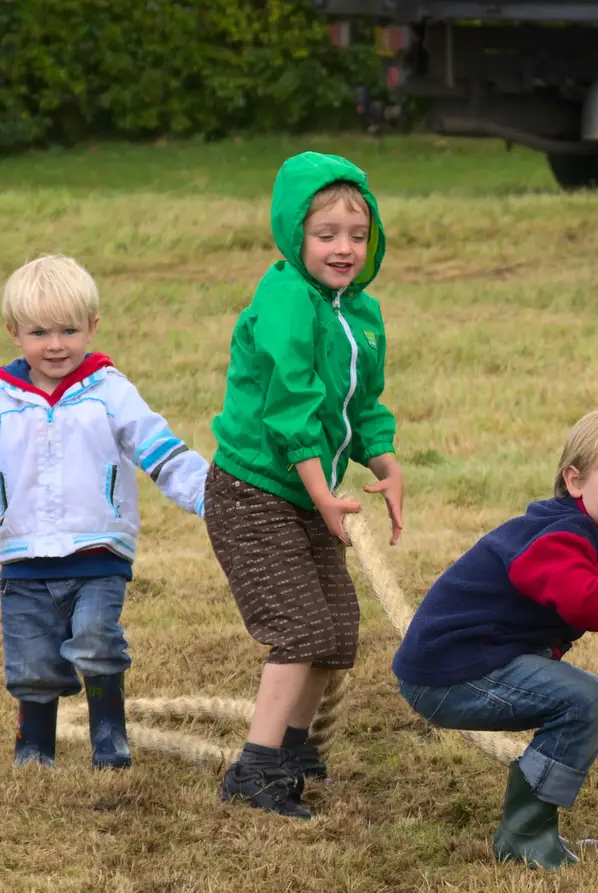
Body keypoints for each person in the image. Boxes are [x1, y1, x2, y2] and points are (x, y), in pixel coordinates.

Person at [0, 254, 208, 769]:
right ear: (14, 333)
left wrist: (212, 495)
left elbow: (162, 452)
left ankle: (109, 740)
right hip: (24, 563)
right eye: (39, 332)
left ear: (93, 327)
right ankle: (34, 750)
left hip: (98, 555)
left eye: (70, 330)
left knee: (97, 645)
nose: (55, 345)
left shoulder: (112, 394)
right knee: (32, 665)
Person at [393, 406, 598, 869]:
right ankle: (524, 837)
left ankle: (531, 826)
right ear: (575, 482)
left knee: (590, 706)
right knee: (587, 702)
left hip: (490, 661)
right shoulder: (559, 536)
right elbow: (581, 598)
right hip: (450, 673)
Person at [206, 152, 403, 820]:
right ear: (295, 236)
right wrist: (322, 493)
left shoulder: (360, 312)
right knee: (301, 627)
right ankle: (254, 771)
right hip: (255, 491)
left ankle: (293, 747)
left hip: (310, 493)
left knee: (339, 630)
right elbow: (292, 404)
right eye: (327, 235)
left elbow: (361, 403)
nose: (344, 249)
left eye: (357, 234)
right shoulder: (287, 298)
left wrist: (385, 461)